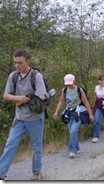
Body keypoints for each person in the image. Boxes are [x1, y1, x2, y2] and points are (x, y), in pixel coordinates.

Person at [0, 49, 47, 180]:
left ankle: (37, 172)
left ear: (27, 61)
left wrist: (27, 99)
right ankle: (1, 173)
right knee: (10, 144)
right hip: (19, 118)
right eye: (15, 63)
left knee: (36, 147)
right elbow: (6, 95)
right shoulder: (13, 76)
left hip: (35, 119)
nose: (17, 65)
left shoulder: (36, 76)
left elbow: (42, 96)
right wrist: (17, 99)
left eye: (20, 62)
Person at [53, 74, 94, 159]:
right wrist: (56, 112)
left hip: (78, 112)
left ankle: (72, 150)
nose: (68, 85)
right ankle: (77, 147)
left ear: (74, 81)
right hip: (69, 113)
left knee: (73, 131)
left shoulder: (79, 90)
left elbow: (86, 102)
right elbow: (61, 101)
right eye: (67, 83)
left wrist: (90, 114)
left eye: (70, 83)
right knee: (71, 132)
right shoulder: (64, 90)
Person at [92, 75, 104, 143]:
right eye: (99, 80)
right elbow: (95, 96)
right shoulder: (96, 87)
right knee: (97, 120)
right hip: (98, 104)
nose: (100, 81)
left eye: (101, 80)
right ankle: (96, 136)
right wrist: (94, 104)